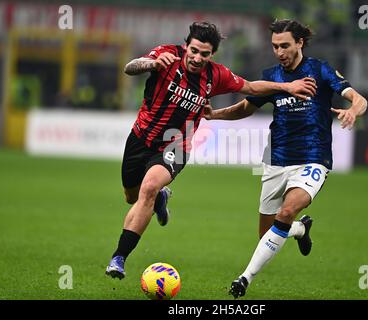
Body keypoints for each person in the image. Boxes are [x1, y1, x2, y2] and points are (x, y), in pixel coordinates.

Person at [105, 21, 318, 279]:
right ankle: (160, 198)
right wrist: (151, 63)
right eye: (193, 51)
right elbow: (130, 68)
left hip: (176, 144)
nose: (197, 58)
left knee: (148, 188)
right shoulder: (167, 55)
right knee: (133, 197)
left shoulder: (216, 75)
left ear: (212, 54)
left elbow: (250, 87)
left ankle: (119, 258)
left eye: (204, 54)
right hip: (140, 138)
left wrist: (287, 87)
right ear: (186, 46)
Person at [205, 19, 368, 298]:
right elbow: (246, 108)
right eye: (274, 46)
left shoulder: (320, 70)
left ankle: (243, 279)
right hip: (276, 160)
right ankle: (300, 230)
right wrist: (215, 115)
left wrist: (353, 109)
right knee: (267, 235)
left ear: (300, 43)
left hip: (313, 159)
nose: (279, 52)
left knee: (285, 212)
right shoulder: (272, 77)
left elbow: (359, 98)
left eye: (285, 46)